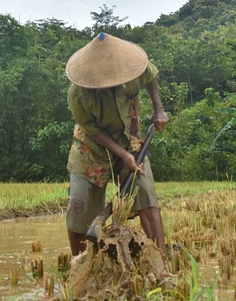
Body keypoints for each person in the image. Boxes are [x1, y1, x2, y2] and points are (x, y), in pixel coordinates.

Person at [65, 31, 169, 257]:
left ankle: (160, 260)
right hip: (91, 147)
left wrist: (158, 108)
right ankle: (80, 263)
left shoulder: (134, 68)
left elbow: (151, 78)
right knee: (79, 203)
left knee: (145, 191)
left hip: (128, 138)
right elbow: (92, 130)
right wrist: (121, 155)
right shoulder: (77, 94)